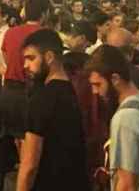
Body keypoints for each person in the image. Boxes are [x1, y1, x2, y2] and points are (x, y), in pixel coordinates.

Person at [17, 29, 89, 191]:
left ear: (49, 57)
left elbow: (29, 166)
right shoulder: (72, 90)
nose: (25, 65)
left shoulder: (41, 99)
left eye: (31, 58)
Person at [0, 0, 49, 191]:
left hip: (7, 92)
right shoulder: (45, 36)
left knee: (2, 141)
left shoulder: (11, 33)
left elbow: (7, 58)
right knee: (28, 148)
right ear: (44, 14)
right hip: (29, 95)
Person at [86, 45, 139, 191]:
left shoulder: (125, 118)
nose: (95, 91)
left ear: (115, 79)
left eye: (98, 84)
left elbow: (126, 184)